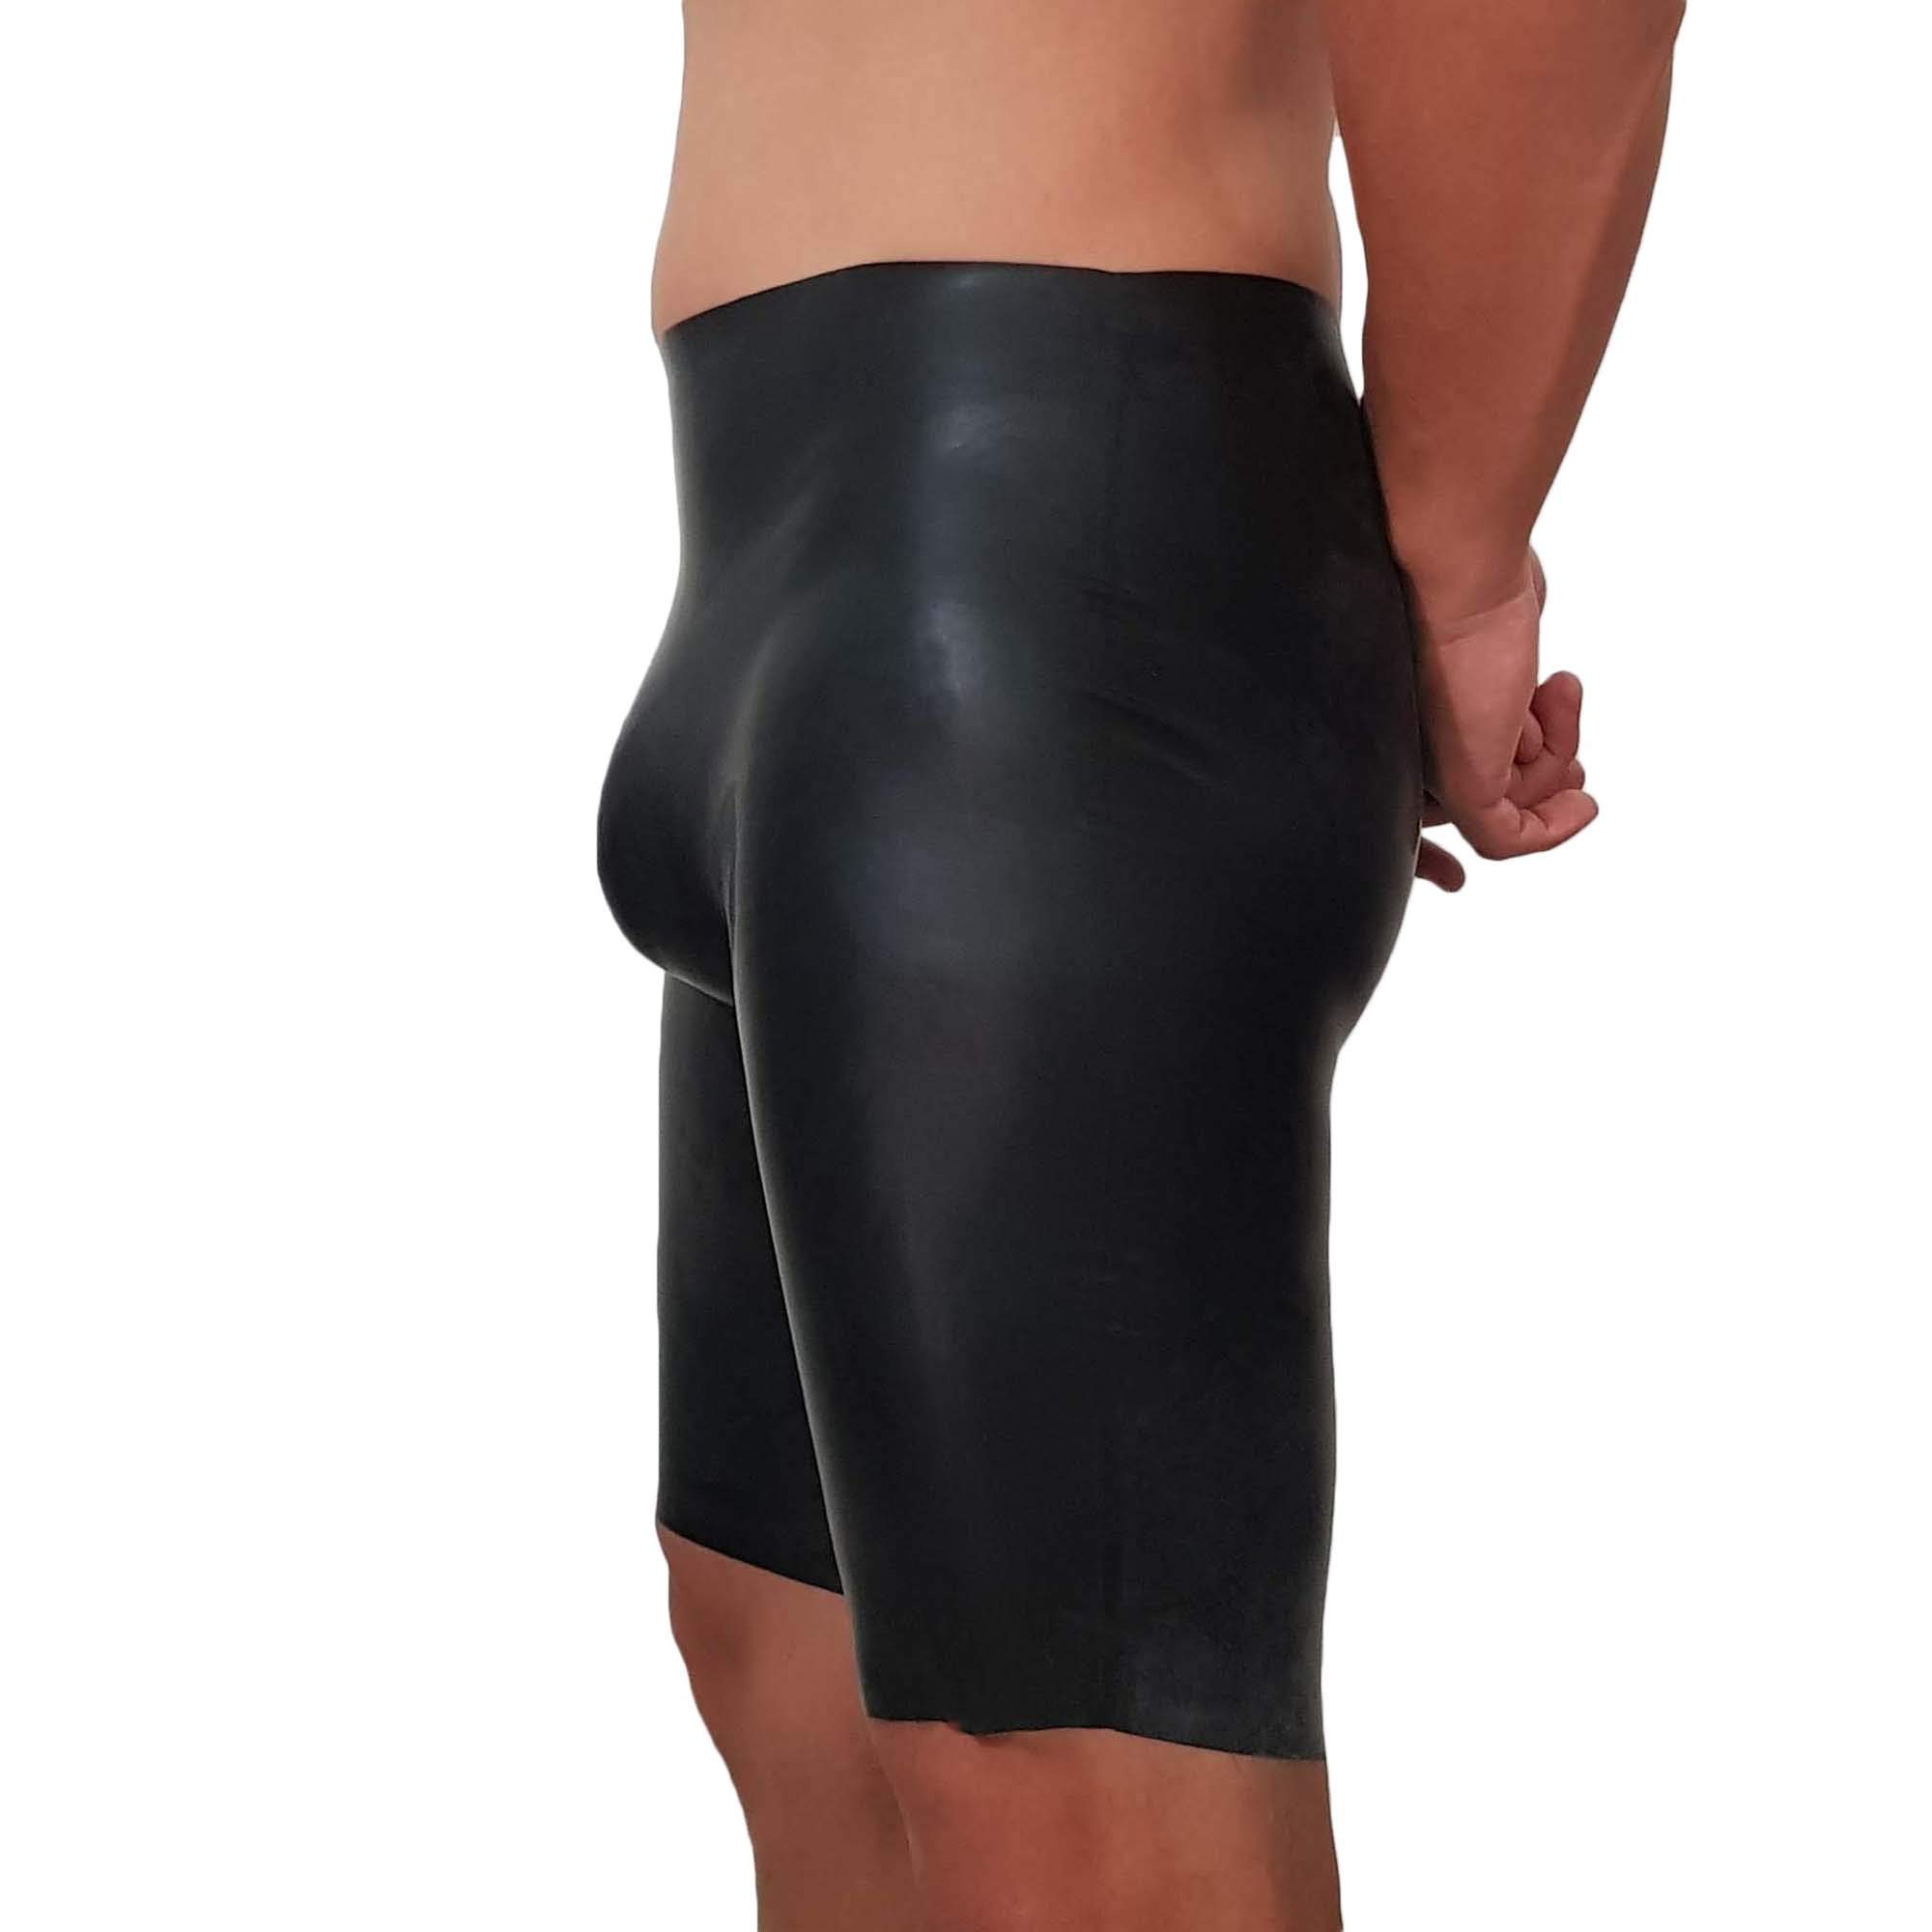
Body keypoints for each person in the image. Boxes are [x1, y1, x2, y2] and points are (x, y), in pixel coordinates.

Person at [596, 0, 1685, 1923]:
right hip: (787, 554)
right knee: (788, 1672)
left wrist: (1458, 556)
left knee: (1071, 1802)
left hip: (1063, 593)